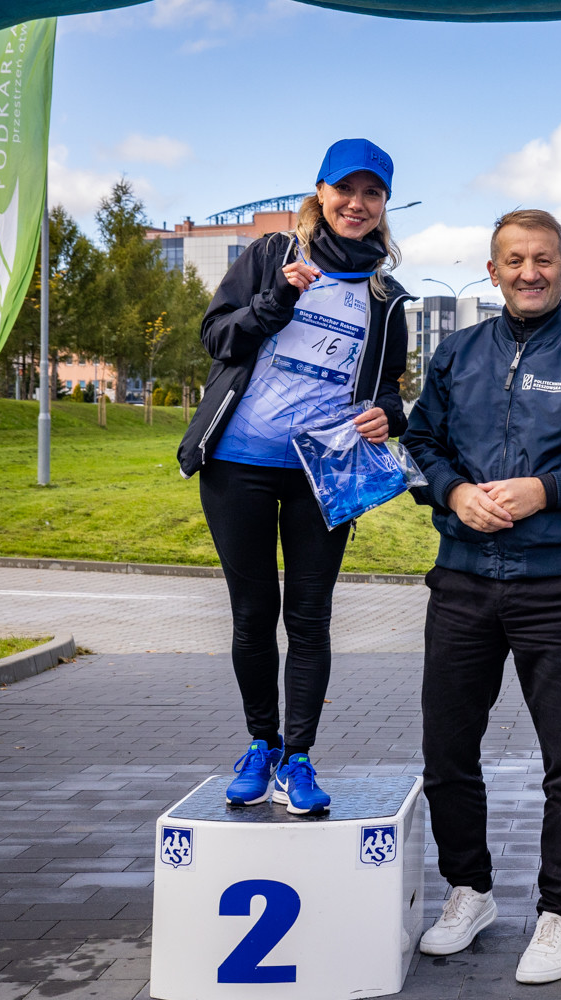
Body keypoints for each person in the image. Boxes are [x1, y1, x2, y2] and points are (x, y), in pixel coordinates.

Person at [403, 210, 561, 984]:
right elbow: (420, 443)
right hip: (461, 579)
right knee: (448, 753)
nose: (529, 272)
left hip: (558, 588)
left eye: (543, 259)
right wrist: (453, 491)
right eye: (514, 260)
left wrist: (546, 490)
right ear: (493, 270)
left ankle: (559, 916)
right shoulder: (456, 354)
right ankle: (469, 891)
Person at [177, 138, 410, 816]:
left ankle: (299, 758)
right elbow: (217, 338)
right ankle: (261, 744)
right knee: (253, 614)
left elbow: (388, 389)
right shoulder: (272, 256)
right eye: (345, 190)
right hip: (238, 466)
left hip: (323, 475)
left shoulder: (386, 296)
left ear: (384, 204)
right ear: (320, 191)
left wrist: (387, 417)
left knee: (310, 618)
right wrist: (276, 299)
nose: (356, 203)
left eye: (371, 193)